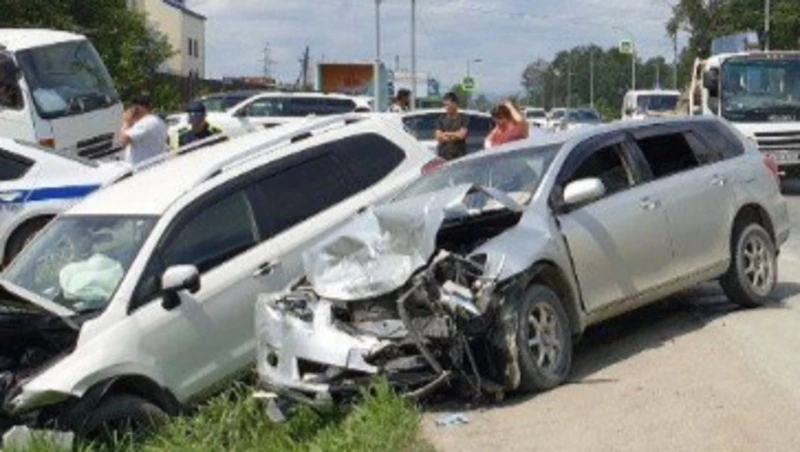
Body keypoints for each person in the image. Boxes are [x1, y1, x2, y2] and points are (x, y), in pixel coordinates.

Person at [119, 93, 168, 166]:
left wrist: (126, 121)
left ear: (136, 108)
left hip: (143, 169)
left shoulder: (145, 123)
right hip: (153, 165)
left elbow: (123, 141)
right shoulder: (158, 121)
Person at [435, 92, 470, 160]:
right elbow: (438, 136)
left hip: (459, 156)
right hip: (443, 156)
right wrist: (455, 135)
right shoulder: (441, 119)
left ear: (455, 104)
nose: (446, 107)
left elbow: (461, 135)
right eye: (444, 105)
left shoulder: (463, 118)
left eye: (448, 105)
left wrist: (446, 133)